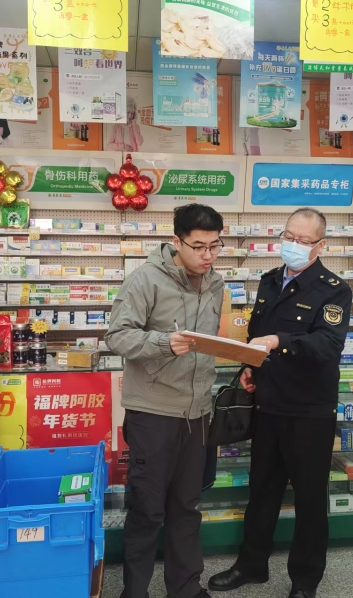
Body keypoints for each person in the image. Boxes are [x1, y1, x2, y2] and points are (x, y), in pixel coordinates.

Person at [209, 208, 352, 598]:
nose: (293, 245)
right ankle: (251, 565)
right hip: (268, 404)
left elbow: (328, 345)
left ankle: (305, 581)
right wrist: (249, 366)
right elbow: (256, 333)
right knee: (262, 491)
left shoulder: (334, 289)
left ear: (321, 245)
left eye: (303, 241)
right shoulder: (270, 280)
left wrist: (278, 341)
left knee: (309, 499)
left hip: (309, 410)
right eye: (289, 236)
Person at [106, 204, 225, 598]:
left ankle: (186, 587)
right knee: (146, 508)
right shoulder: (146, 280)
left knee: (187, 507)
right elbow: (117, 336)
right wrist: (162, 342)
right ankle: (134, 591)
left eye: (214, 246)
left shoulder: (216, 284)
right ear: (177, 241)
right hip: (154, 413)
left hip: (198, 413)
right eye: (198, 247)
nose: (207, 256)